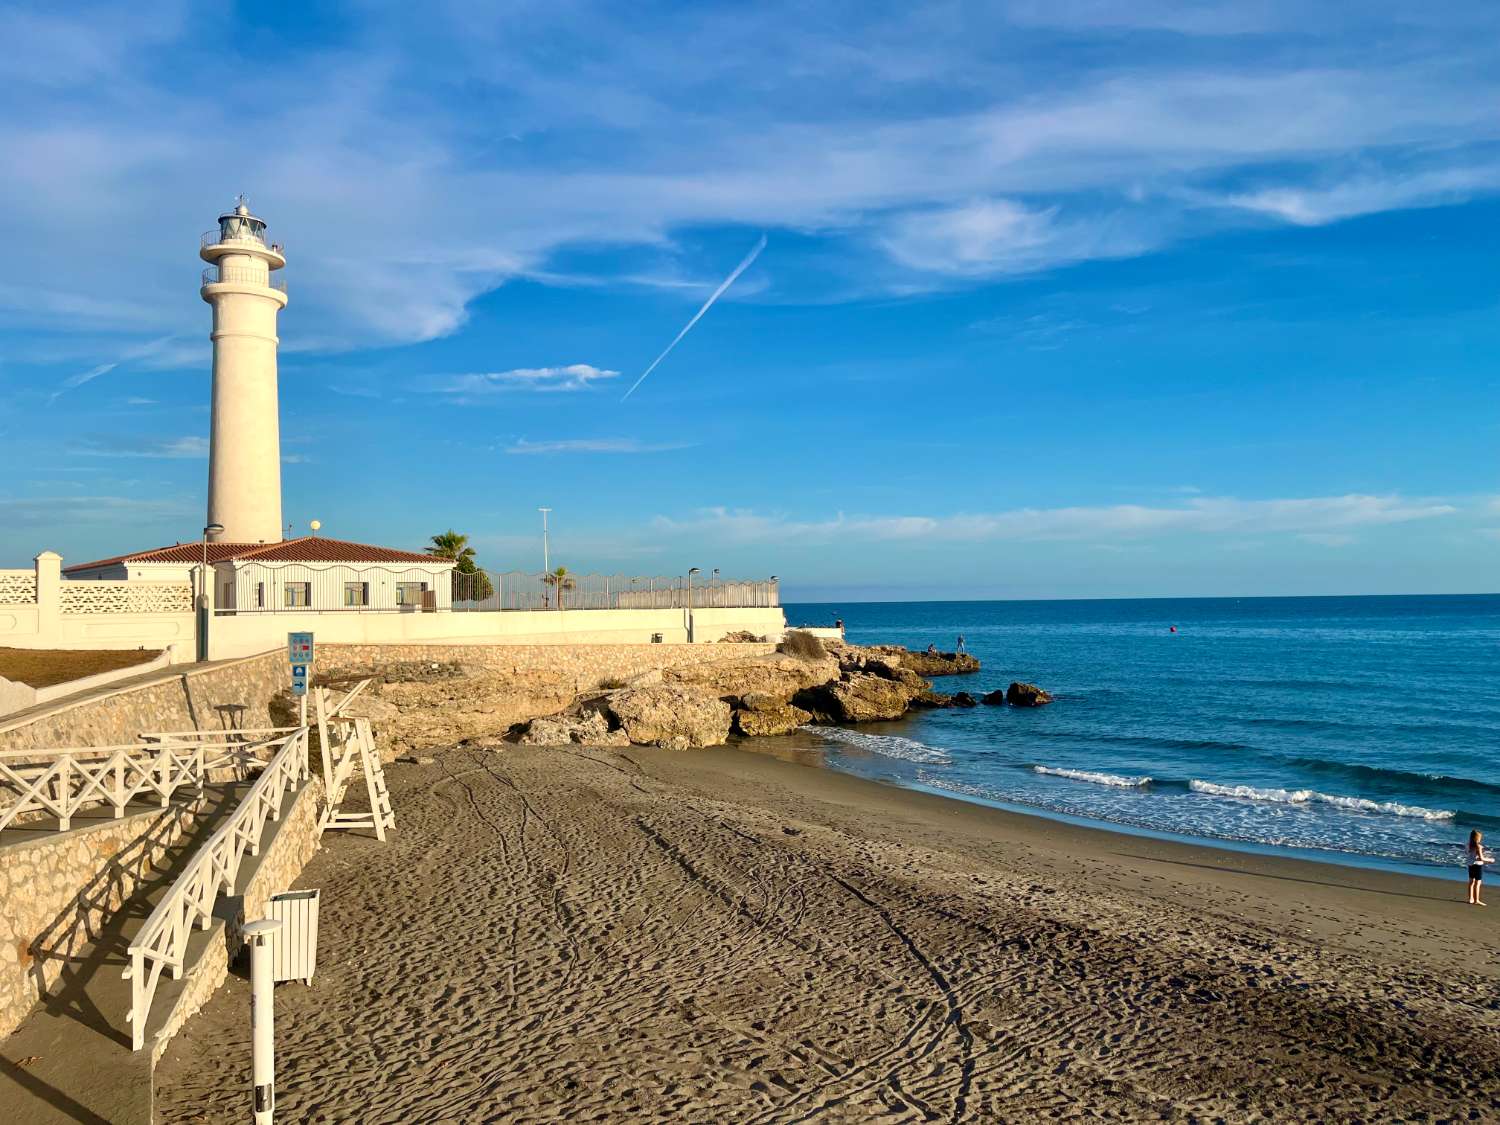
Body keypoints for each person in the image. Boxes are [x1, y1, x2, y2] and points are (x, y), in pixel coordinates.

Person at [1466, 830, 1492, 906]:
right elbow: (1481, 858)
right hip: (1477, 865)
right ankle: (1476, 900)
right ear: (1477, 838)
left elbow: (1469, 854)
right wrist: (1490, 860)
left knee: (1471, 882)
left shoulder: (1468, 845)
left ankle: (1471, 899)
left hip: (1470, 864)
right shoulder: (1478, 846)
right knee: (1477, 883)